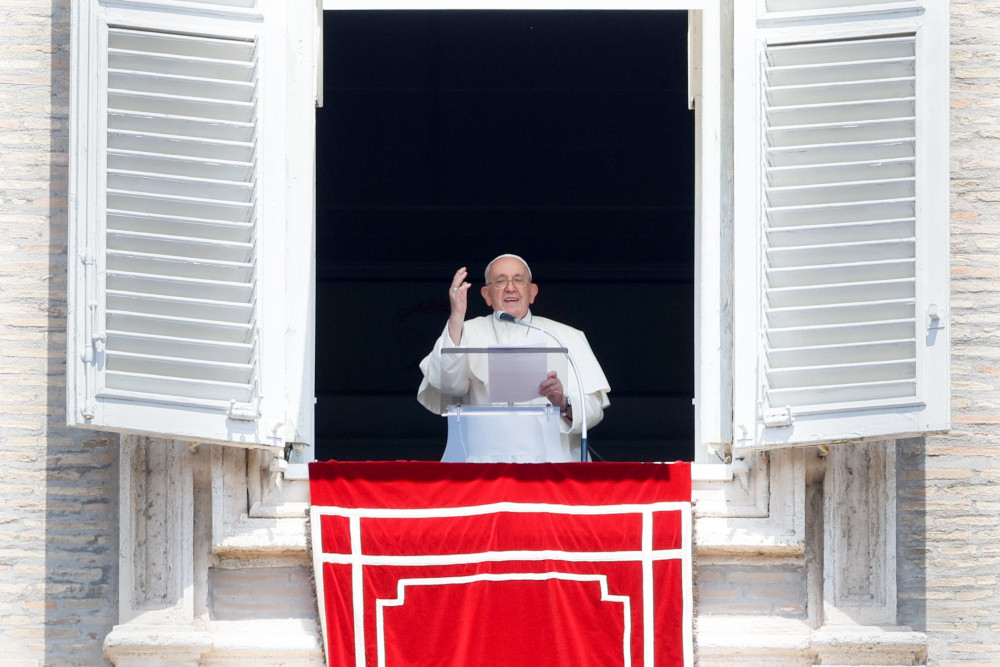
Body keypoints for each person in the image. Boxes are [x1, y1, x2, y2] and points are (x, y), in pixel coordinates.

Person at [417, 254, 610, 462]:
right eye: (500, 281)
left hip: (551, 466)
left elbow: (593, 409)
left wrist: (563, 402)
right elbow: (449, 387)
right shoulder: (465, 332)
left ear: (532, 292)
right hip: (483, 467)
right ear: (486, 295)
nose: (510, 287)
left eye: (518, 280)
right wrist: (456, 316)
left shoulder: (565, 336)